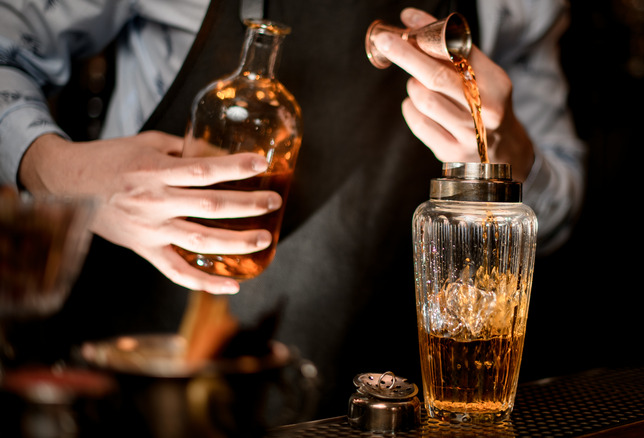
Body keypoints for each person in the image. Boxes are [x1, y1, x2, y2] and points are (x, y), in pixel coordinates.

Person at [0, 0, 585, 419]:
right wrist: (59, 175)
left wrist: (505, 152)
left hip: (387, 404)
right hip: (149, 382)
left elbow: (557, 214)